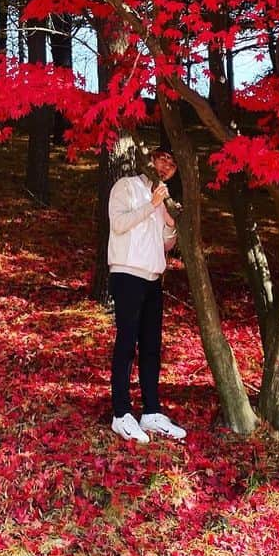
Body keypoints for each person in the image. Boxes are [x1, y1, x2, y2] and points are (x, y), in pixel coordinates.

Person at [107, 148, 187, 443]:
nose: (167, 166)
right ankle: (121, 413)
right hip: (128, 273)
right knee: (126, 343)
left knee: (152, 346)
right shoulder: (127, 186)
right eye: (163, 159)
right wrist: (151, 204)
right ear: (150, 160)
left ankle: (151, 410)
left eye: (173, 163)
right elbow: (118, 224)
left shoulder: (162, 198)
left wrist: (168, 220)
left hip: (153, 277)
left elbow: (167, 245)